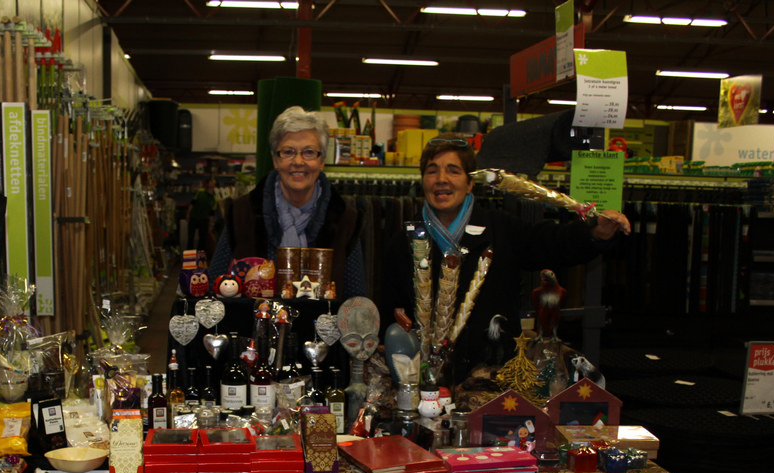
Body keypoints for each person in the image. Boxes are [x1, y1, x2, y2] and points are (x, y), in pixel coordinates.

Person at [377, 133, 630, 385]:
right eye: (432, 171)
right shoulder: (403, 243)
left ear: (470, 183)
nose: (441, 179)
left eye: (453, 171)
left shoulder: (501, 231)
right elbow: (392, 318)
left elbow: (553, 242)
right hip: (424, 385)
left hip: (494, 381)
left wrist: (594, 233)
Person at [209, 106, 366, 298]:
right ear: (275, 159)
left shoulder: (345, 220)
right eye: (288, 152)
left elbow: (356, 301)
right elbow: (214, 289)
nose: (298, 161)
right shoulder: (242, 214)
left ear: (322, 160)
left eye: (309, 152)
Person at [185, 177, 217, 255]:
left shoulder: (214, 198)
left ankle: (200, 259)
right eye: (210, 182)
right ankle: (189, 259)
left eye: (213, 182)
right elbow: (192, 203)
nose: (211, 183)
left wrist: (210, 225)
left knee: (202, 240)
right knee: (190, 238)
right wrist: (188, 213)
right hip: (194, 217)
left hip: (204, 219)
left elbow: (212, 213)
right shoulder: (200, 192)